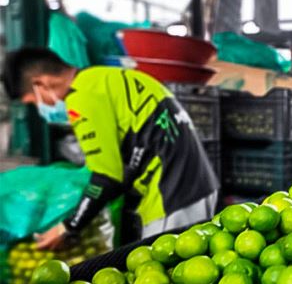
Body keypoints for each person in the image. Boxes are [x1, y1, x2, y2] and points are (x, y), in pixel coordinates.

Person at [1, 47, 220, 248]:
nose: (40, 109)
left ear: (41, 84)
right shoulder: (102, 77)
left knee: (164, 271)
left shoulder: (82, 97)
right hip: (197, 184)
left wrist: (68, 227)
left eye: (34, 102)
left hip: (170, 196)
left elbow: (107, 176)